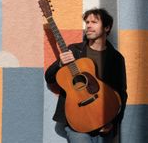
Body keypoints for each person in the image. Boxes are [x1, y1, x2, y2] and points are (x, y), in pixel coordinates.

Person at [45, 8, 127, 143]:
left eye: (94, 22)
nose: (88, 25)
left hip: (104, 122)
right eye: (87, 22)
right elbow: (49, 77)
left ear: (106, 27)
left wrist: (114, 121)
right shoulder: (75, 51)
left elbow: (121, 92)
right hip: (77, 122)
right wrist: (59, 63)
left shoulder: (116, 58)